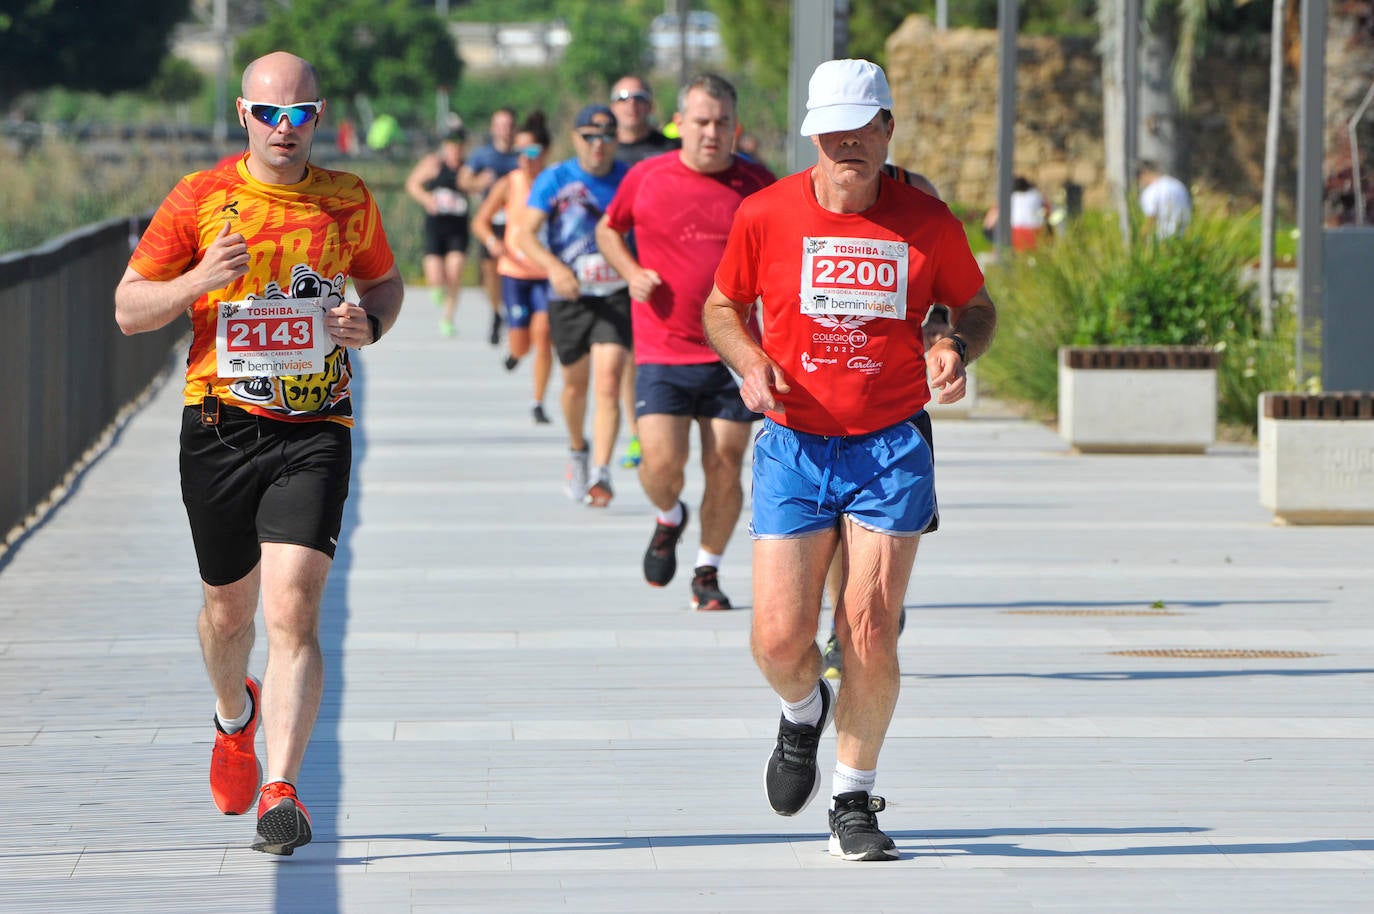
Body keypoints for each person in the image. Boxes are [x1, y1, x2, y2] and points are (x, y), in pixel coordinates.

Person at [702, 58, 998, 862]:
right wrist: (748, 361)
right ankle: (804, 713)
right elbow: (721, 306)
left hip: (890, 445)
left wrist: (952, 343)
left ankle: (853, 798)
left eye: (862, 132)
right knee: (776, 639)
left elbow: (975, 303)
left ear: (887, 130)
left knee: (867, 626)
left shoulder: (926, 222)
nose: (847, 149)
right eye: (832, 136)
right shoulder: (766, 214)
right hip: (795, 444)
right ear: (813, 136)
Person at [113, 51, 404, 856]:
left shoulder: (347, 200)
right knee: (227, 614)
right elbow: (129, 310)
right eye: (270, 113)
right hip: (218, 425)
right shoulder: (202, 198)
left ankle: (283, 788)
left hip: (315, 426)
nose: (286, 127)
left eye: (300, 113)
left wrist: (367, 325)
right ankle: (233, 716)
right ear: (243, 115)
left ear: (319, 116)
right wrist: (198, 278)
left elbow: (384, 284)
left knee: (293, 609)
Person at [596, 73, 775, 611]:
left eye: (722, 122)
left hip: (734, 352)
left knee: (725, 462)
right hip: (663, 348)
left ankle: (707, 570)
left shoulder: (759, 184)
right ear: (681, 123)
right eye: (701, 121)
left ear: (734, 125)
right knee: (661, 464)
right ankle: (669, 515)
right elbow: (609, 229)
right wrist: (629, 271)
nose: (712, 132)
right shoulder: (647, 176)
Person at [518, 104, 632, 506]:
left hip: (615, 295)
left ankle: (602, 472)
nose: (598, 145)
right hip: (568, 295)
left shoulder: (630, 179)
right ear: (574, 137)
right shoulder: (555, 179)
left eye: (607, 137)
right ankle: (577, 450)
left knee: (609, 381)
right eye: (589, 136)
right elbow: (526, 235)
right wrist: (553, 268)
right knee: (574, 387)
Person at [609, 75, 679, 470]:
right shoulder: (603, 147)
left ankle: (652, 431)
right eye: (622, 97)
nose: (630, 103)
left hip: (660, 267)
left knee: (647, 354)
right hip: (615, 262)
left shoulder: (668, 148)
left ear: (650, 105)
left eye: (638, 97)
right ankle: (638, 431)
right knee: (622, 355)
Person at [472, 111, 555, 425]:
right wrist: (494, 243)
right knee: (523, 343)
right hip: (515, 272)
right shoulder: (510, 183)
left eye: (531, 152)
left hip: (547, 273)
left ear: (544, 153)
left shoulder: (556, 180)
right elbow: (480, 221)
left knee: (544, 334)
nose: (524, 159)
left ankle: (538, 402)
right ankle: (516, 352)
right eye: (519, 152)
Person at [462, 108, 520, 344]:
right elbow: (463, 180)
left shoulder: (522, 155)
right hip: (490, 222)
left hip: (516, 223)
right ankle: (496, 312)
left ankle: (514, 312)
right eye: (501, 124)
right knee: (490, 270)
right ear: (493, 128)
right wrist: (478, 182)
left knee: (514, 270)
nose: (505, 129)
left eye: (509, 124)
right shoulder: (482, 155)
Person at [405, 127, 471, 337]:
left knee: (455, 272)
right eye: (451, 144)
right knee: (435, 275)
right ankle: (438, 290)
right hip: (436, 225)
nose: (455, 149)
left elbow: (479, 186)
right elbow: (412, 184)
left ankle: (448, 319)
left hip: (458, 227)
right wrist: (427, 199)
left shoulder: (468, 168)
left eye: (459, 144)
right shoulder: (434, 163)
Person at [1137, 159, 1192, 239]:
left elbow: (1151, 219)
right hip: (1183, 237)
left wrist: (1141, 237)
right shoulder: (1177, 185)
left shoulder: (1151, 192)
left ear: (1144, 174)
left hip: (1162, 239)